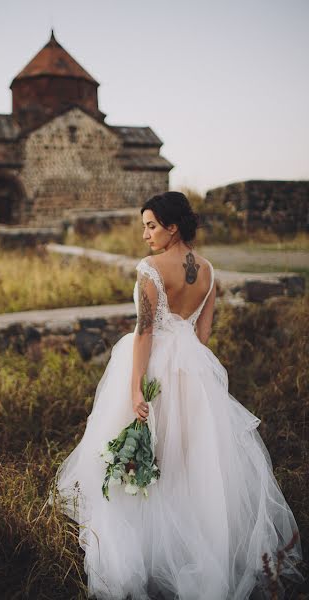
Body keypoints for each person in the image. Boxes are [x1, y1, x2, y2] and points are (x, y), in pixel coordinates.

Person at [51, 191, 304, 599]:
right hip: (194, 367)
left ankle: (149, 547)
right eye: (144, 226)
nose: (145, 235)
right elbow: (203, 336)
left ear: (173, 227)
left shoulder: (150, 269)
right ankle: (196, 543)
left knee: (149, 453)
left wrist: (135, 387)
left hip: (155, 364)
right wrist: (191, 372)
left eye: (151, 226)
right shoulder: (207, 270)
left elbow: (145, 331)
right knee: (191, 458)